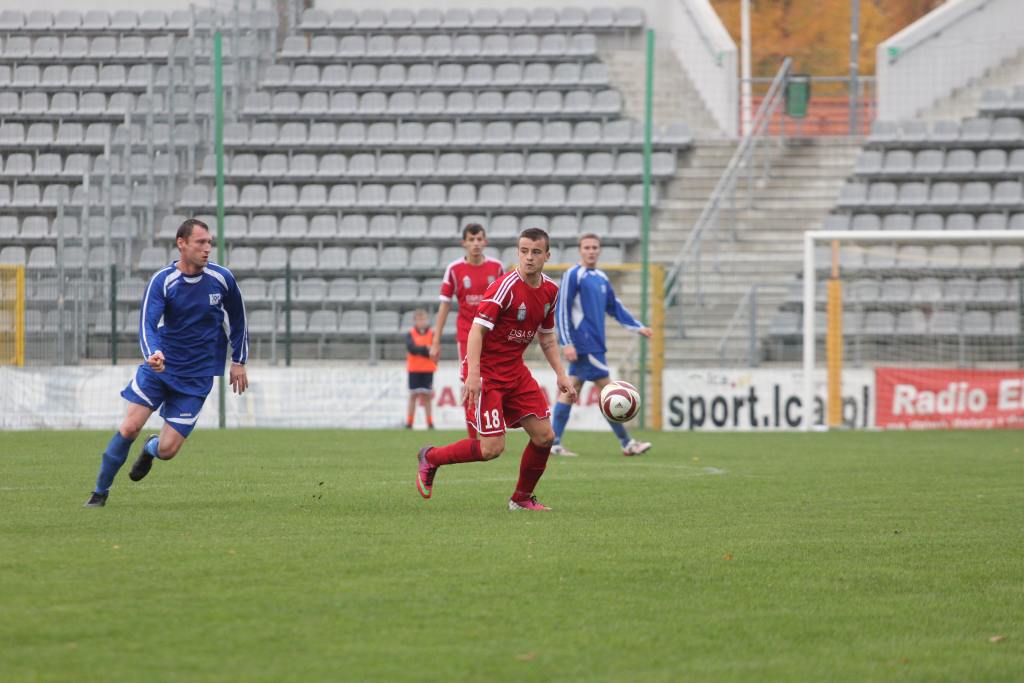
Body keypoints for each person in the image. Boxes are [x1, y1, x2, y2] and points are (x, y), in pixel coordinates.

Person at [84, 218, 249, 507]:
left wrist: (239, 360)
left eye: (210, 242)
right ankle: (99, 493)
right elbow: (147, 324)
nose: (207, 248)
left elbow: (238, 319)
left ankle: (150, 449)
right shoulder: (163, 280)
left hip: (196, 379)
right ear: (181, 244)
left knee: (168, 450)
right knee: (129, 428)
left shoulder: (222, 279)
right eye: (200, 242)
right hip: (160, 369)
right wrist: (153, 354)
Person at [416, 228, 577, 511]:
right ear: (518, 253)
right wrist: (474, 376)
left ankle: (521, 498)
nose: (529, 257)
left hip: (515, 371)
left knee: (545, 437)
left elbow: (548, 336)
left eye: (536, 252)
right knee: (492, 449)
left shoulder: (551, 290)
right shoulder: (505, 286)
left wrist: (561, 374)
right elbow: (477, 331)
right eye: (524, 251)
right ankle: (431, 456)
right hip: (487, 372)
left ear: (547, 256)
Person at [551, 233, 653, 457]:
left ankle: (553, 442)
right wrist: (566, 342)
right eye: (586, 247)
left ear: (599, 250)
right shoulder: (572, 275)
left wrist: (638, 327)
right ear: (580, 250)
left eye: (594, 247)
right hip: (583, 345)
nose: (591, 251)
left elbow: (615, 307)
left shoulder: (601, 278)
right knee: (612, 392)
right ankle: (627, 442)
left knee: (571, 390)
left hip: (597, 345)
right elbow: (562, 311)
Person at [429, 223, 505, 439]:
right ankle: (473, 437)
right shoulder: (454, 270)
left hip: (493, 335)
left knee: (496, 381)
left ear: (485, 242)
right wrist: (435, 341)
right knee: (469, 381)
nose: (476, 244)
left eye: (479, 239)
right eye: (471, 240)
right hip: (466, 335)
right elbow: (444, 306)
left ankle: (493, 429)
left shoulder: (497, 267)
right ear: (464, 243)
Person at [405, 308, 437, 430]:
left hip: (428, 369)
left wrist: (423, 350)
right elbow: (411, 348)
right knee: (413, 396)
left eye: (424, 319)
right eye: (419, 319)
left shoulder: (432, 333)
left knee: (427, 396)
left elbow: (434, 349)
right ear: (414, 321)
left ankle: (430, 423)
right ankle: (409, 422)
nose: (422, 322)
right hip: (414, 369)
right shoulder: (410, 333)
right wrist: (425, 349)